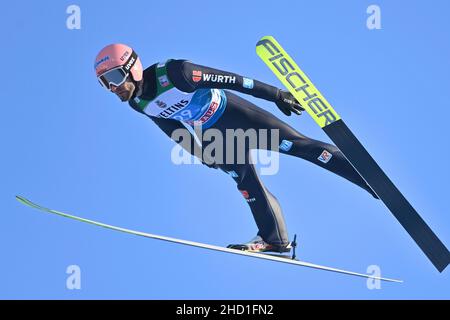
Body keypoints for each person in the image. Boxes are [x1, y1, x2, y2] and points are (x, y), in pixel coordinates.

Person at [94, 43, 378, 254]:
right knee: (244, 182)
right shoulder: (138, 103)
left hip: (235, 114)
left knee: (298, 146)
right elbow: (170, 127)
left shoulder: (176, 73)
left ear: (133, 67)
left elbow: (235, 80)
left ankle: (367, 178)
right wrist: (199, 153)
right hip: (213, 134)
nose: (113, 88)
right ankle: (274, 240)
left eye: (116, 78)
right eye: (105, 83)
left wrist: (276, 94)